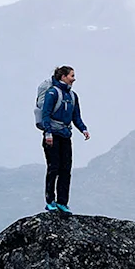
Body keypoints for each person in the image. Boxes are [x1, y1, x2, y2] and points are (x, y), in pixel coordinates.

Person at [33, 65, 89, 213]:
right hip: (52, 136)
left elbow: (76, 116)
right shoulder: (52, 93)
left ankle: (62, 202)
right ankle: (50, 200)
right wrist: (48, 133)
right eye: (71, 75)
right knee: (54, 168)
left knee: (66, 169)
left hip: (65, 135)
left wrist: (83, 129)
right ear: (63, 77)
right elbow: (46, 114)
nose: (74, 78)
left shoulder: (72, 96)